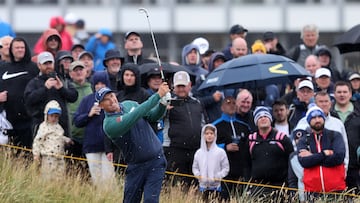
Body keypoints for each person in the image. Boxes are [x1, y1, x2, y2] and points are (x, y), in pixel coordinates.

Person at [99, 80, 170, 202]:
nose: (111, 100)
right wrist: (157, 96)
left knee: (151, 200)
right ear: (101, 106)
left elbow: (153, 116)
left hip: (156, 161)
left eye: (111, 96)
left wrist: (162, 105)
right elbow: (134, 116)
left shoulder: (129, 104)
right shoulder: (109, 125)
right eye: (106, 99)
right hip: (136, 166)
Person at [163, 71, 205, 189]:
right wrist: (164, 109)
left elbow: (203, 123)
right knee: (176, 184)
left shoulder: (197, 103)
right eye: (178, 86)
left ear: (189, 85)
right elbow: (158, 119)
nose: (181, 89)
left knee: (194, 185)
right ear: (174, 87)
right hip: (175, 150)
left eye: (183, 86)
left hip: (196, 150)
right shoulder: (168, 102)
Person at [73, 71, 116, 189]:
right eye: (97, 83)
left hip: (109, 148)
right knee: (97, 181)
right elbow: (76, 121)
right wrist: (89, 114)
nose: (100, 86)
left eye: (103, 83)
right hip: (91, 147)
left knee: (109, 181)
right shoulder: (87, 100)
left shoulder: (113, 99)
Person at [24, 51, 78, 137]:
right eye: (45, 63)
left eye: (50, 63)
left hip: (62, 125)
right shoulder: (34, 82)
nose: (48, 66)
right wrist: (44, 89)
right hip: (41, 126)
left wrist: (61, 89)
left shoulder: (61, 79)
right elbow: (28, 100)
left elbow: (74, 96)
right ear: (39, 65)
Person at [297, 105, 346, 195]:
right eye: (313, 118)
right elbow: (304, 162)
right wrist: (324, 154)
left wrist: (313, 156)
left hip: (336, 189)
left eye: (319, 117)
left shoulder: (335, 135)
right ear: (308, 121)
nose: (317, 120)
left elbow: (339, 157)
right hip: (312, 191)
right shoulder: (304, 140)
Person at [0, 37, 39, 149]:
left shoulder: (33, 68)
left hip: (29, 120)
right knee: (10, 156)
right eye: (17, 47)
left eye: (22, 47)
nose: (20, 50)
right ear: (11, 50)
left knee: (27, 155)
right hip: (7, 121)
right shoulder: (3, 67)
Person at [248, 106, 293, 197]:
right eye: (260, 117)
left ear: (270, 119)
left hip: (280, 186)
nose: (263, 118)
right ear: (256, 122)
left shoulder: (282, 138)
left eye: (266, 116)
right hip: (257, 187)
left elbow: (291, 160)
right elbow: (246, 163)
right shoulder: (251, 140)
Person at [212, 96, 251, 200]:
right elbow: (207, 146)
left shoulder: (244, 127)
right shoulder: (215, 126)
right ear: (222, 107)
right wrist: (224, 147)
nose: (232, 105)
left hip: (241, 171)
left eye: (234, 103)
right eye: (228, 103)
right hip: (223, 172)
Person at [32, 100, 74, 181]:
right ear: (46, 115)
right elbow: (38, 141)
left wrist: (67, 140)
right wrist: (36, 154)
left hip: (59, 156)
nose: (54, 118)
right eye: (51, 116)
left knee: (60, 177)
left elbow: (59, 137)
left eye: (56, 116)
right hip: (48, 157)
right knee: (48, 177)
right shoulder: (44, 127)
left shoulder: (58, 127)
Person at [331, 81, 360, 193]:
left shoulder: (358, 112)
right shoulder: (328, 113)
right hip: (334, 164)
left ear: (350, 94)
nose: (342, 95)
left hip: (355, 165)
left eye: (344, 92)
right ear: (334, 94)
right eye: (339, 92)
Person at [192, 124, 229, 202]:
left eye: (211, 133)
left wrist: (218, 176)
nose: (209, 136)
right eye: (207, 133)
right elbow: (195, 168)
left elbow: (226, 168)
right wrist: (199, 175)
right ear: (203, 135)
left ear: (215, 135)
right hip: (202, 187)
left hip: (216, 188)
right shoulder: (199, 153)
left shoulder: (220, 152)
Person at [67, 61, 93, 158]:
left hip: (90, 138)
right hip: (74, 139)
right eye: (75, 70)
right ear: (70, 74)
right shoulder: (68, 90)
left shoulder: (93, 87)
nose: (79, 72)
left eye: (81, 69)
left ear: (86, 71)